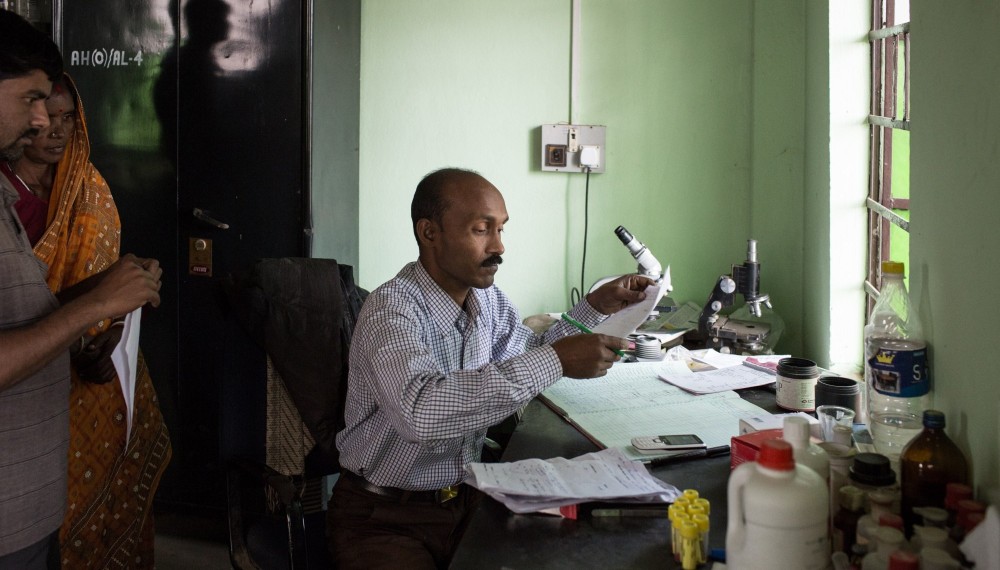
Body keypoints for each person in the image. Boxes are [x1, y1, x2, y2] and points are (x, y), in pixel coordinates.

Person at [328, 167, 654, 569]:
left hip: (466, 496)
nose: (499, 247)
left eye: (501, 229)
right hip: (384, 516)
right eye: (482, 229)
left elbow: (529, 352)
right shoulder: (392, 311)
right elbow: (421, 413)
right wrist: (557, 360)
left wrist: (594, 307)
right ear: (429, 233)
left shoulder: (488, 301)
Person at [0, 10, 162, 569]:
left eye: (60, 110)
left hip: (26, 500)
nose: (46, 122)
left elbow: (30, 310)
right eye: (32, 101)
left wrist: (108, 297)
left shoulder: (83, 188)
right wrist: (94, 303)